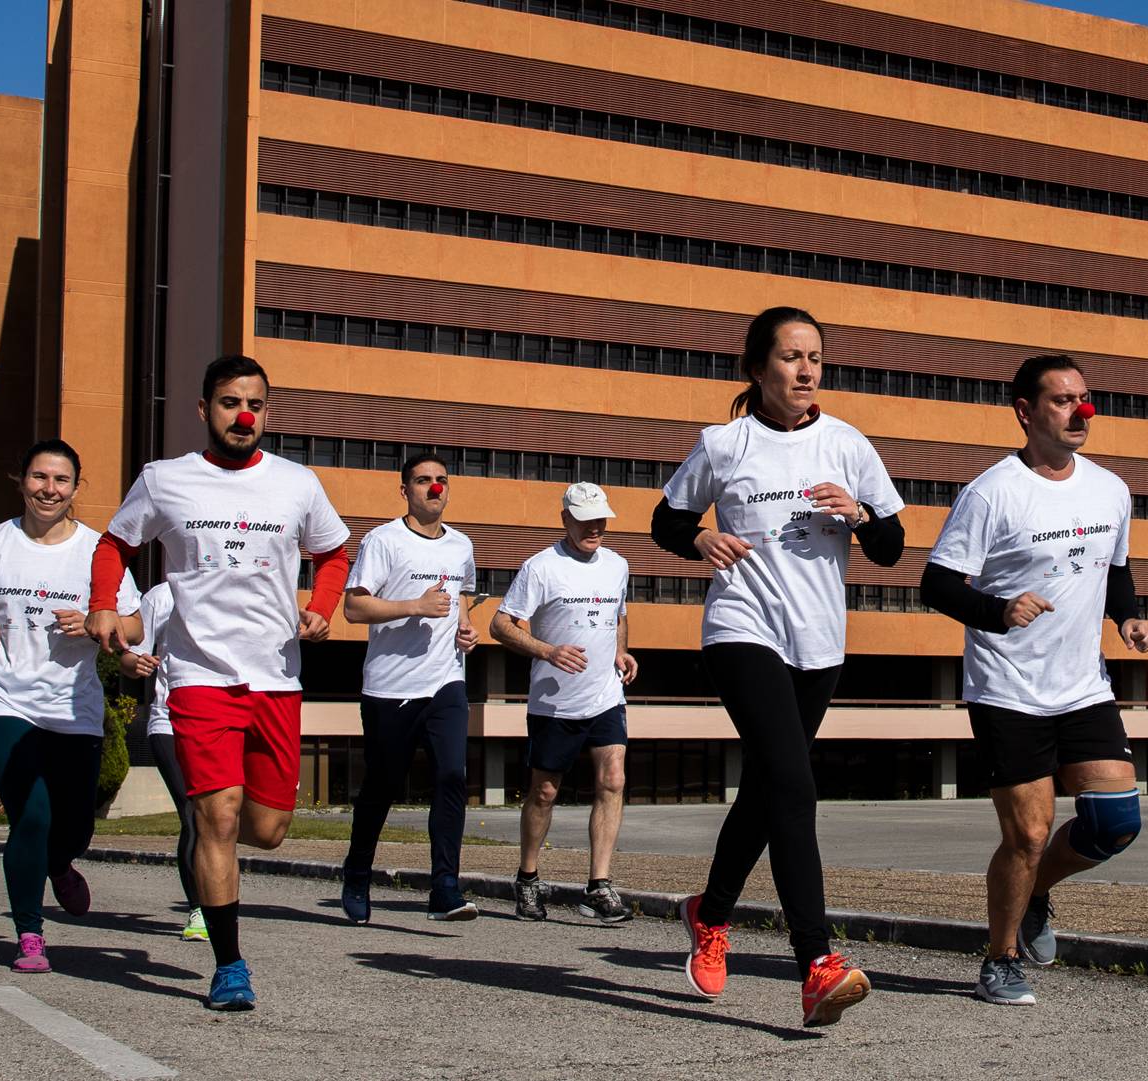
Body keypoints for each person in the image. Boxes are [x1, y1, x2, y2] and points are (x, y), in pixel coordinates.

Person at [650, 306, 905, 1028]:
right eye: (791, 357)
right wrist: (701, 540)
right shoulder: (724, 445)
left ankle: (710, 910)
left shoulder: (847, 444)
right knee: (795, 787)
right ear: (758, 367)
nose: (806, 370)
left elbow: (891, 546)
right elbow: (665, 519)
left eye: (815, 357)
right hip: (740, 628)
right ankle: (817, 962)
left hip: (818, 643)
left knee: (767, 790)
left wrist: (857, 514)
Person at [87, 355, 351, 1011]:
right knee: (217, 816)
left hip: (277, 679)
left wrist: (321, 604)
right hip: (200, 678)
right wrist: (101, 601)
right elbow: (112, 545)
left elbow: (335, 552)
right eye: (230, 402)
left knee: (267, 828)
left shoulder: (296, 483)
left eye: (255, 404)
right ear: (204, 409)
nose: (243, 415)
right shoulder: (165, 480)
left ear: (268, 411)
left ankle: (226, 893)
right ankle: (230, 963)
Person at [920, 353, 1148, 1007]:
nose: (1081, 410)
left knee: (1115, 823)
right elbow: (936, 582)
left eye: (1086, 397)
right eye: (1062, 400)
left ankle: (1037, 892)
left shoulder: (1111, 489)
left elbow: (1116, 569)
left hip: (1083, 685)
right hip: (1008, 689)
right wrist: (998, 610)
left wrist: (1128, 617)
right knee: (1026, 833)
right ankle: (999, 959)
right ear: (1026, 411)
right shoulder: (992, 492)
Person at [0, 439, 142, 974]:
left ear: (76, 487)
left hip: (72, 706)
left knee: (75, 826)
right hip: (2, 699)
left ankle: (60, 863)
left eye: (61, 481)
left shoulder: (100, 550)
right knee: (31, 814)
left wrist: (101, 621)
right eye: (39, 478)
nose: (49, 490)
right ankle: (29, 931)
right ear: (21, 481)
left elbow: (136, 626)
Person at [340, 452, 480, 923]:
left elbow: (460, 597)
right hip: (390, 687)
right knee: (381, 786)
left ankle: (445, 887)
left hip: (446, 682)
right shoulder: (383, 541)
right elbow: (355, 609)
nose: (434, 488)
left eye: (441, 480)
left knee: (451, 777)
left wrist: (466, 628)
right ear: (406, 491)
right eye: (423, 481)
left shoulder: (461, 544)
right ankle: (357, 871)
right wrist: (413, 606)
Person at [491, 482, 639, 923]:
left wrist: (620, 652)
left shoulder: (617, 565)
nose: (595, 528)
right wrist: (547, 651)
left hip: (605, 695)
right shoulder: (541, 567)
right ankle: (528, 878)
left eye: (601, 520)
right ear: (565, 520)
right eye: (585, 519)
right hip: (555, 703)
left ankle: (599, 885)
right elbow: (501, 625)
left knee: (613, 779)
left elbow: (619, 616)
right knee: (545, 791)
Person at [118, 581, 209, 942]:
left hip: (223, 721)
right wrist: (134, 662)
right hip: (169, 720)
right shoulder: (161, 597)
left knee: (221, 816)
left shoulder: (239, 586)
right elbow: (128, 655)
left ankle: (217, 897)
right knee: (193, 811)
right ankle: (200, 908)